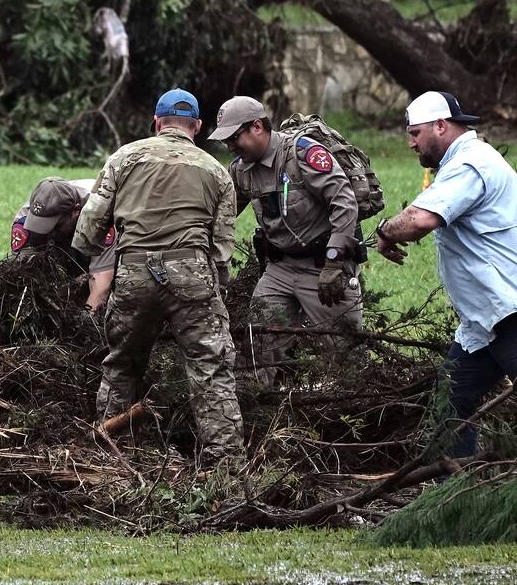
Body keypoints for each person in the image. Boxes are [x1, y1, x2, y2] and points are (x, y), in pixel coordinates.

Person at [72, 89, 245, 465]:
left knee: (122, 363)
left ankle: (112, 455)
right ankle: (226, 463)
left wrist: (101, 251)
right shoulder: (217, 172)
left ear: (156, 122)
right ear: (197, 126)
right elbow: (221, 249)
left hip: (133, 273)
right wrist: (214, 289)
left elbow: (88, 228)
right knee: (210, 366)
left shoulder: (124, 157)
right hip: (192, 275)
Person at [375, 91, 517, 459]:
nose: (411, 143)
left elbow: (419, 219)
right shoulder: (465, 161)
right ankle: (456, 484)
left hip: (509, 311)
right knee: (451, 396)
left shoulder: (471, 163)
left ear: (440, 125)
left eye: (415, 133)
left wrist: (385, 231)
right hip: (485, 321)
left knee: (452, 398)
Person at [208, 96, 362, 385]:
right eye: (225, 141)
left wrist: (334, 262)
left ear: (257, 127)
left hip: (323, 267)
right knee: (259, 343)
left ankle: (348, 402)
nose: (230, 147)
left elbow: (344, 203)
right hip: (279, 269)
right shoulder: (240, 170)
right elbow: (221, 214)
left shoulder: (302, 154)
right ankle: (264, 402)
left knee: (342, 352)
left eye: (234, 137)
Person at [11, 176, 116, 311]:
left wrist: (85, 320)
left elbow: (101, 286)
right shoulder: (25, 219)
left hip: (116, 240)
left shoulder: (101, 215)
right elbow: (23, 276)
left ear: (75, 211)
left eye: (55, 226)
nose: (49, 233)